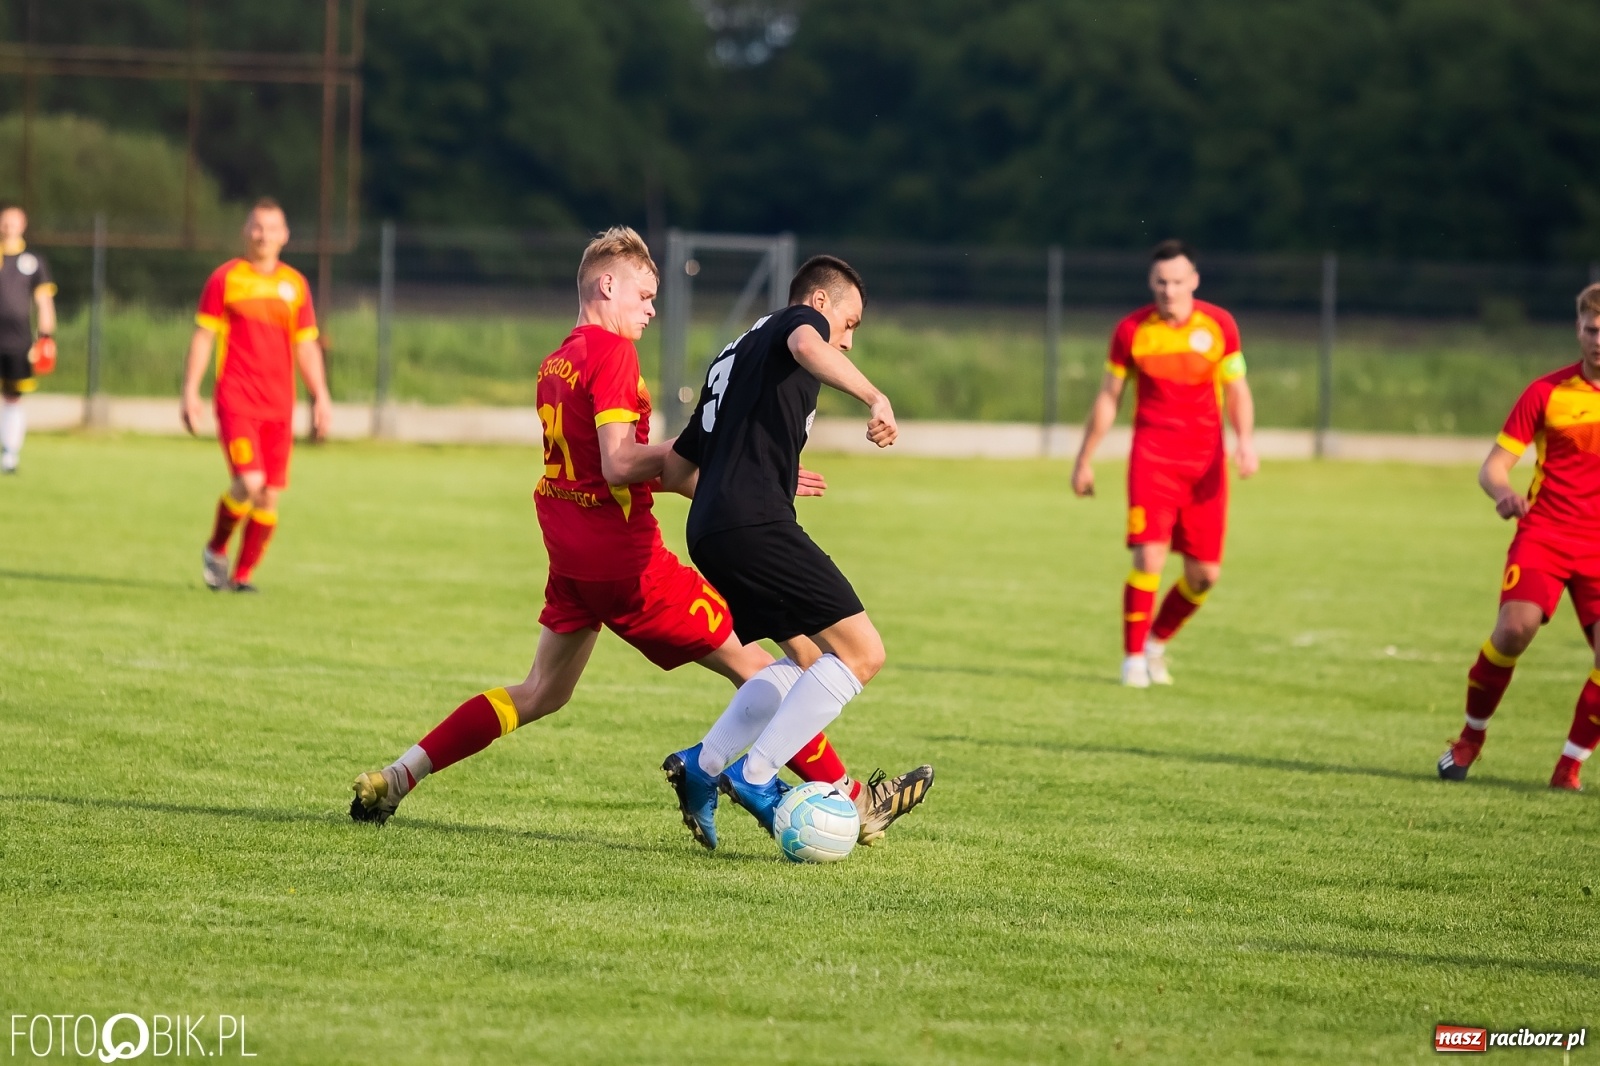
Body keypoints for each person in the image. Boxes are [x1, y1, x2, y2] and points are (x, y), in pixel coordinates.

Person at [349, 228, 930, 844]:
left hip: (571, 558)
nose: (652, 310)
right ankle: (842, 804)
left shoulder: (557, 361)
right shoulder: (613, 354)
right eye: (645, 296)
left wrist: (736, 471)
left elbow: (669, 473)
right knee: (778, 667)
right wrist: (735, 454)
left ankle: (399, 775)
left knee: (541, 690)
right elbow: (620, 464)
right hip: (628, 566)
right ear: (607, 285)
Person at [659, 254, 932, 842]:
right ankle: (756, 776)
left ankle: (703, 767)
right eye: (850, 323)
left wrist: (763, 469)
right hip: (754, 525)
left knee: (807, 660)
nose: (849, 342)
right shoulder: (792, 325)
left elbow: (679, 467)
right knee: (863, 654)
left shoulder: (733, 353)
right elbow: (810, 346)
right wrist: (875, 398)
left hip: (711, 528)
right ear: (820, 302)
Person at [1072, 240, 1258, 687]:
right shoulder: (1132, 330)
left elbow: (1237, 389)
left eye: (1177, 281)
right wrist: (1085, 458)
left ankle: (1156, 642)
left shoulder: (1220, 326)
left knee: (1204, 575)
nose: (1169, 290)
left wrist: (1246, 441)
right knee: (1150, 555)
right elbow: (1109, 396)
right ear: (1150, 283)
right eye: (1161, 282)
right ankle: (1132, 659)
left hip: (1206, 466)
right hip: (1153, 460)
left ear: (1194, 280)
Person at [1438, 284, 1600, 791]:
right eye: (1593, 330)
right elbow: (1494, 467)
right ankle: (1470, 738)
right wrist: (1504, 493)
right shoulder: (1546, 392)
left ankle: (1569, 765)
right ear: (1578, 330)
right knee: (1513, 630)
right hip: (1546, 532)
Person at [182, 198, 331, 592]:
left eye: (271, 228)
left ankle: (242, 576)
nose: (263, 235)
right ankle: (216, 549)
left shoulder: (295, 285)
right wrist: (189, 391)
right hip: (236, 398)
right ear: (245, 231)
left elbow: (306, 346)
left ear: (285, 236)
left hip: (279, 405)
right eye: (257, 227)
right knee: (249, 482)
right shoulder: (226, 279)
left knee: (269, 496)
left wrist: (321, 396)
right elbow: (203, 337)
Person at [0, 205, 57, 474]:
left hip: (18, 342)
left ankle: (10, 456)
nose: (8, 226)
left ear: (22, 225)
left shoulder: (32, 261)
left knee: (13, 398)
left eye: (13, 221)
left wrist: (46, 337)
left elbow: (44, 302)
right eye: (4, 221)